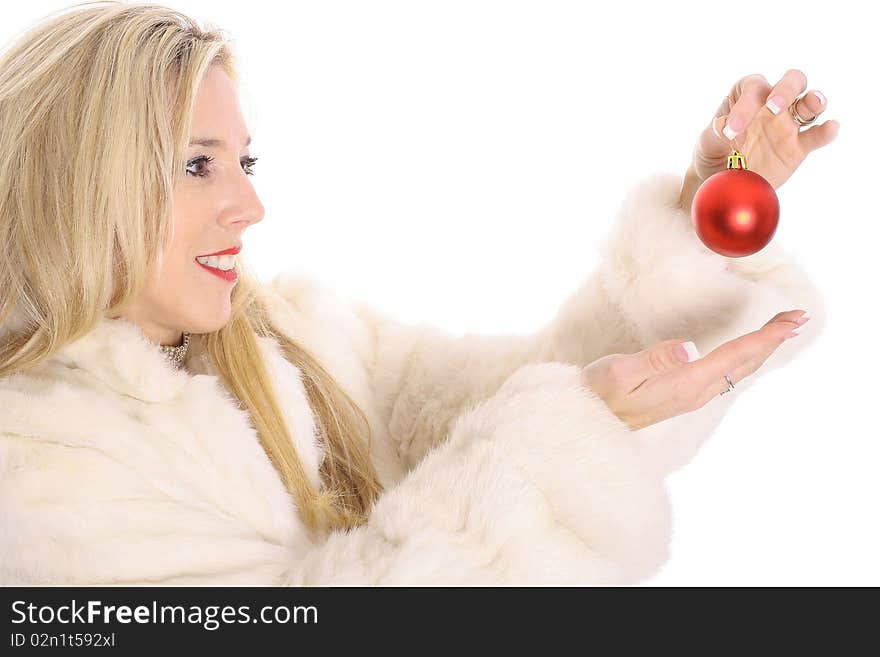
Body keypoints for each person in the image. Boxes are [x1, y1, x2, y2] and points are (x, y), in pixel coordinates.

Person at [0, 2, 837, 586]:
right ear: (79, 184)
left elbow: (518, 395)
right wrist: (566, 437)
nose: (250, 207)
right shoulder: (34, 467)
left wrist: (699, 220)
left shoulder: (297, 335)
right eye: (197, 164)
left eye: (244, 163)